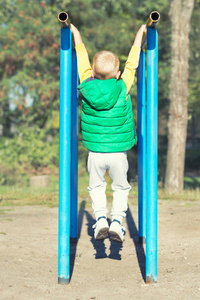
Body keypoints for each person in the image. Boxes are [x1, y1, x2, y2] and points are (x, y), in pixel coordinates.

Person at [70, 23, 146, 243]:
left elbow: (81, 61)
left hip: (95, 153)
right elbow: (133, 63)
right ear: (118, 73)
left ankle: (101, 219)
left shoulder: (86, 85)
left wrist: (77, 37)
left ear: (93, 73)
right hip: (118, 153)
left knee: (96, 186)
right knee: (121, 187)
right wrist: (138, 37)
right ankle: (116, 222)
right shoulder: (122, 87)